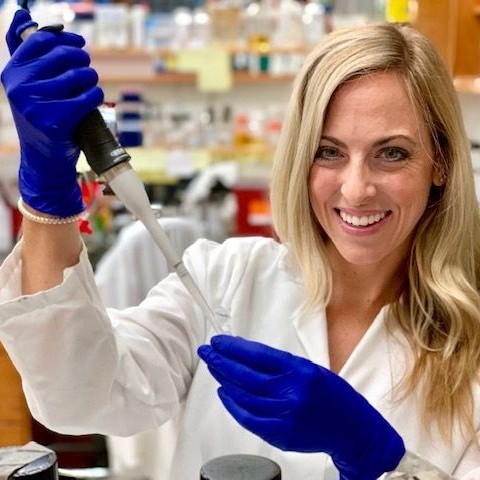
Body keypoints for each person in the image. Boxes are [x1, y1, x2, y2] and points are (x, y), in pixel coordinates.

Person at [0, 9, 479, 480]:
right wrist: (47, 195)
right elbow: (79, 397)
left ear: (440, 163)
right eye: (328, 152)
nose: (356, 190)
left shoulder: (472, 337)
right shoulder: (224, 279)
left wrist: (376, 455)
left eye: (392, 153)